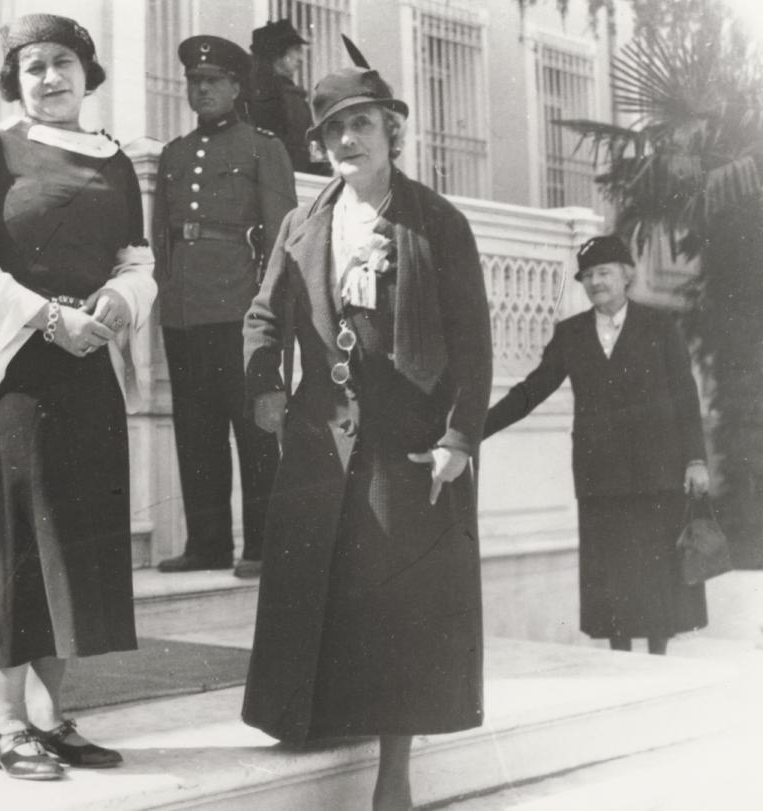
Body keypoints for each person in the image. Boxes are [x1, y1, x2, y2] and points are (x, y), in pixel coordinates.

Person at [242, 66, 492, 811]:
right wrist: (262, 384)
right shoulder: (301, 221)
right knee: (319, 586)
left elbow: (474, 345)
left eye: (361, 124)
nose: (346, 140)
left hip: (406, 445)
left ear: (393, 133)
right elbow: (265, 314)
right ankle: (312, 715)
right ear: (318, 145)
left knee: (397, 604)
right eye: (331, 130)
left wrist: (459, 437)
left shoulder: (437, 222)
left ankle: (394, 770)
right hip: (323, 439)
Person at [0, 13, 156, 780]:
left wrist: (123, 301)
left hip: (87, 359)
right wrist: (45, 315)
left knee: (83, 540)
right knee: (27, 543)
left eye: (63, 63)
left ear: (87, 73)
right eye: (33, 68)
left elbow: (136, 258)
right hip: (22, 368)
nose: (50, 78)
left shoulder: (115, 162)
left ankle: (49, 715)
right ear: (15, 81)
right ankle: (0, 718)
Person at [484, 235, 710, 656]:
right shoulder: (571, 334)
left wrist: (696, 459)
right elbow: (531, 391)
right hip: (599, 476)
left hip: (657, 472)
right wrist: (473, 430)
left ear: (626, 275)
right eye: (587, 276)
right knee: (611, 573)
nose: (595, 283)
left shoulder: (660, 325)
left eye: (603, 272)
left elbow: (685, 395)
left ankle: (657, 657)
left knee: (655, 571)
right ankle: (619, 658)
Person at [153, 35, 297, 579]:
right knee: (196, 430)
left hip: (241, 310)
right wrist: (168, 298)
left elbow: (283, 239)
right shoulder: (175, 154)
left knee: (254, 429)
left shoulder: (263, 147)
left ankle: (261, 546)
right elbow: (161, 239)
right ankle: (206, 544)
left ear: (236, 87)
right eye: (194, 81)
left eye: (213, 80)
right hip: (185, 312)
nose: (203, 89)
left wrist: (271, 315)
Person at [247, 18, 323, 175]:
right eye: (295, 49)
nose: (300, 58)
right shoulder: (264, 96)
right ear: (278, 52)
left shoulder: (294, 97)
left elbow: (313, 145)